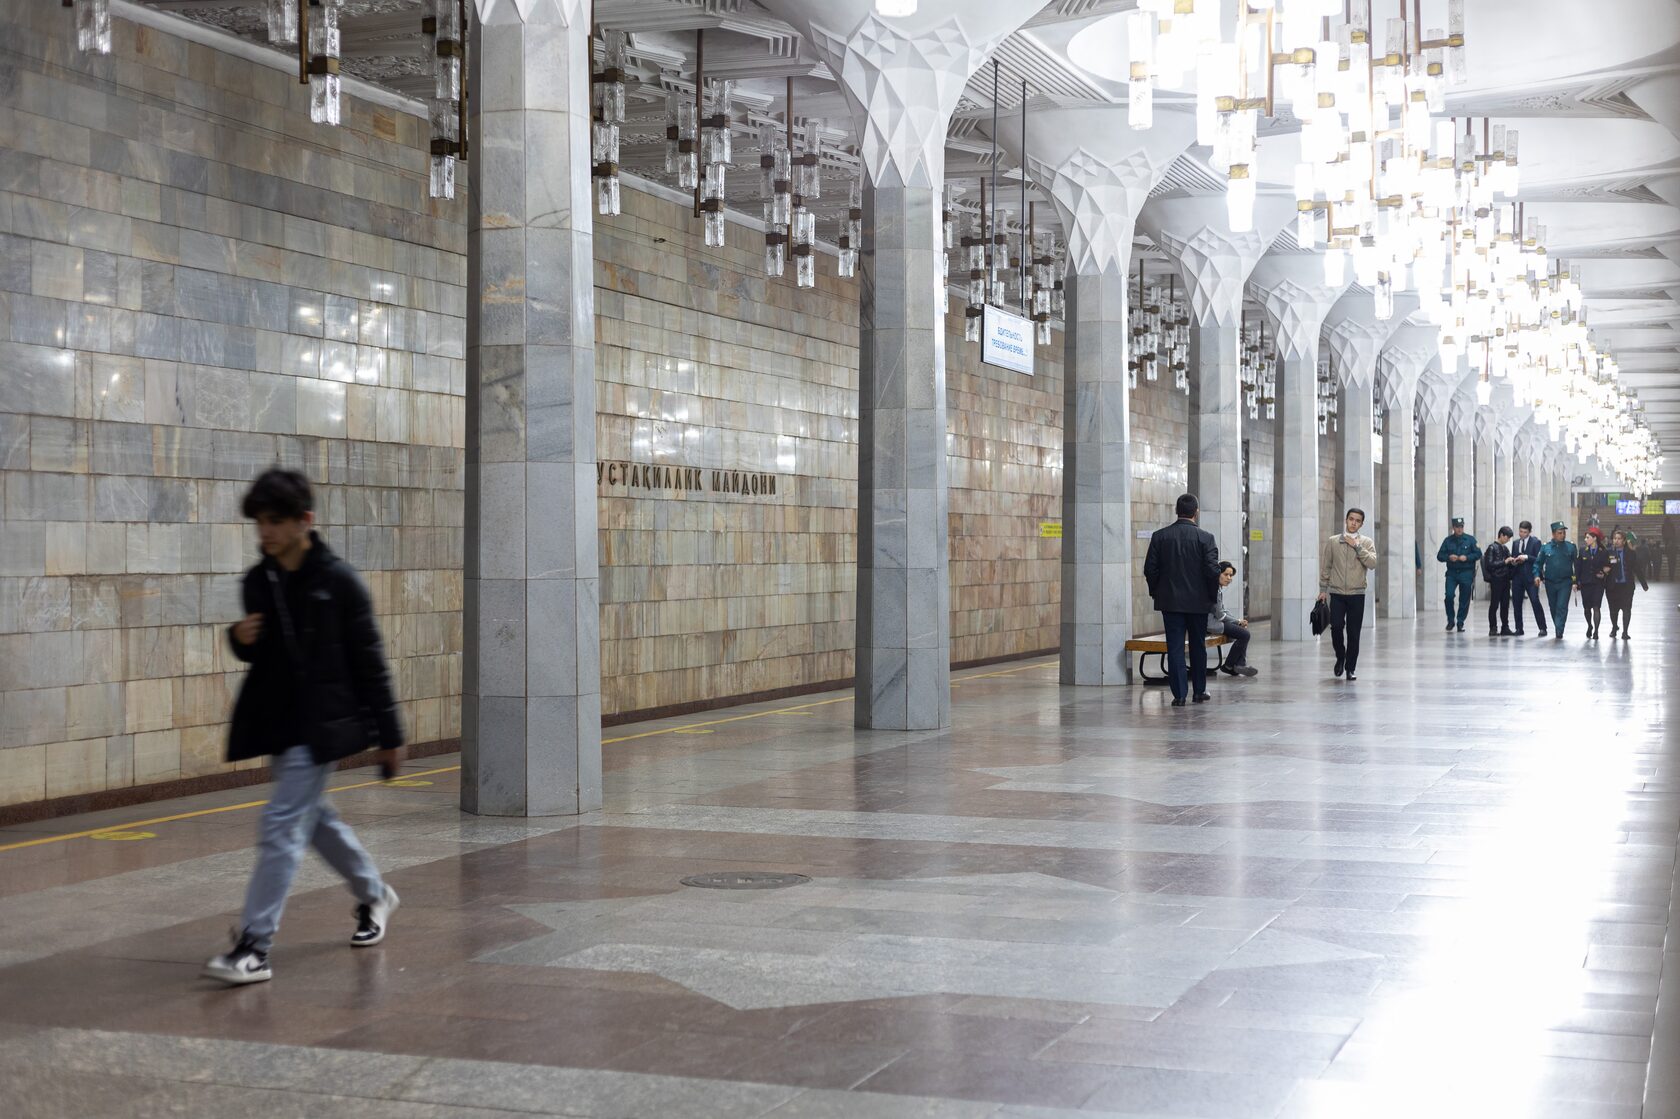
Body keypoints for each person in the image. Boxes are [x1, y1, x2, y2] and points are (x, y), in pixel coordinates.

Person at [203, 469, 403, 986]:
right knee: (312, 820)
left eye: (274, 522)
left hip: (322, 726)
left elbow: (370, 661)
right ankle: (375, 894)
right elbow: (261, 652)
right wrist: (239, 638)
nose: (264, 532)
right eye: (260, 523)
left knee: (280, 824)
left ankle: (254, 945)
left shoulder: (339, 583)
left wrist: (390, 735)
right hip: (278, 722)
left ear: (304, 521)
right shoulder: (258, 580)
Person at [1143, 493, 1221, 707]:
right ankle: (1199, 691)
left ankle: (1179, 695)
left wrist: (1156, 592)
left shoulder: (1160, 537)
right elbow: (1212, 571)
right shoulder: (1206, 538)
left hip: (1170, 603)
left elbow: (1150, 569)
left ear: (1176, 511)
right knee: (1198, 646)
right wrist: (1211, 597)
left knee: (1175, 647)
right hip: (1198, 604)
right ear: (1196, 512)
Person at [1318, 507, 1378, 681]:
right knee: (1336, 627)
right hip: (1336, 593)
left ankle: (1350, 668)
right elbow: (1326, 566)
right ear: (1346, 520)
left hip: (1357, 594)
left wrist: (1358, 547)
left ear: (1361, 524)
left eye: (1357, 520)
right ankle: (1340, 656)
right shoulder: (1333, 541)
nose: (1353, 523)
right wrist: (1323, 590)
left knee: (1353, 633)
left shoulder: (1366, 542)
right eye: (1351, 519)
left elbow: (1372, 563)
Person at [1208, 562, 1258, 678]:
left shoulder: (1217, 588)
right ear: (1218, 574)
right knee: (1245, 634)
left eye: (1231, 576)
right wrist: (1237, 621)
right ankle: (1230, 665)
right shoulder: (1214, 589)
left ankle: (1238, 664)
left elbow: (1223, 611)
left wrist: (1238, 620)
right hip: (1212, 624)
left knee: (1243, 632)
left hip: (1217, 622)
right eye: (1226, 574)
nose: (1229, 578)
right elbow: (1220, 616)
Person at [1533, 520, 1578, 641]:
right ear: (1553, 534)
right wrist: (1537, 575)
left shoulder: (1571, 547)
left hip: (1565, 582)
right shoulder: (1545, 547)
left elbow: (1576, 566)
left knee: (1562, 606)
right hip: (1550, 582)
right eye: (1559, 533)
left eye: (1564, 532)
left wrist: (1575, 581)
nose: (1562, 535)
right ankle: (1558, 626)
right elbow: (1538, 563)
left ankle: (1559, 630)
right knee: (1553, 606)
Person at [1603, 527, 1649, 639]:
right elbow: (1602, 566)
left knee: (1626, 609)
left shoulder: (1631, 553)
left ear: (1624, 541)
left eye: (1619, 539)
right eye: (1614, 538)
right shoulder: (1608, 552)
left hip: (1626, 586)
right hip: (1612, 587)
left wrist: (1644, 584)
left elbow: (1637, 568)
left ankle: (1625, 632)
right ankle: (1614, 627)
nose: (1616, 541)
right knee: (1613, 610)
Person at [1436, 515, 1480, 633]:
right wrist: (1449, 557)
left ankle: (1460, 622)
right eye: (1457, 527)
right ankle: (1451, 620)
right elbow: (1439, 556)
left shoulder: (1470, 540)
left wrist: (1467, 557)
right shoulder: (1448, 540)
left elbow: (1478, 554)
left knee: (1464, 599)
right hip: (1452, 573)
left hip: (1466, 573)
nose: (1459, 529)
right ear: (1453, 527)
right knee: (1449, 596)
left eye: (1461, 527)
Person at [1507, 520, 1546, 636]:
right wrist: (1514, 561)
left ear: (1529, 532)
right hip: (1517, 577)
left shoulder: (1536, 542)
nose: (1522, 534)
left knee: (1535, 601)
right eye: (1520, 531)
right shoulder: (1515, 543)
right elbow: (1514, 556)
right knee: (1516, 603)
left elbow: (1539, 560)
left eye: (1524, 532)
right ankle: (1519, 628)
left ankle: (1542, 627)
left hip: (1531, 577)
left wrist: (1527, 557)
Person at [1575, 527, 1609, 641]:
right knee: (1586, 608)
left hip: (1598, 584)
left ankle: (1596, 631)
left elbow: (1607, 566)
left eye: (1588, 537)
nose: (1585, 539)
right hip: (1586, 583)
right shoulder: (1583, 550)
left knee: (1596, 607)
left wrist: (1604, 573)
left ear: (1594, 538)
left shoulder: (1603, 552)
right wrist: (1575, 582)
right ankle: (1589, 625)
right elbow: (1578, 567)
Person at [1481, 528, 1516, 636]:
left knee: (1505, 605)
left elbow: (1508, 563)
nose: (1508, 540)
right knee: (1494, 605)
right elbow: (1489, 564)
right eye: (1507, 537)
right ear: (1501, 535)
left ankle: (1505, 627)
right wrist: (1504, 562)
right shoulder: (1491, 548)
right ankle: (1493, 627)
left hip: (1505, 580)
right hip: (1496, 580)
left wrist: (1513, 562)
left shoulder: (1505, 548)